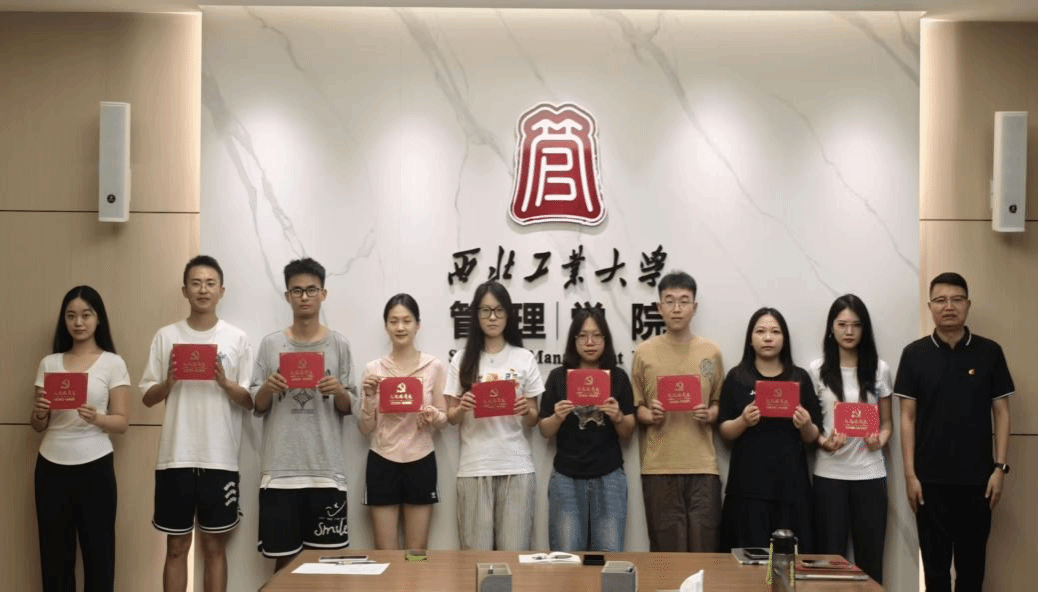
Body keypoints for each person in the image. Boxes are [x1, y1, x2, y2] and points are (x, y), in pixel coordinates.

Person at [141, 256, 253, 592]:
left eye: (210, 283)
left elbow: (250, 400)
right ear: (185, 290)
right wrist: (169, 382)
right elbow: (147, 397)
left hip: (220, 458)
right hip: (175, 457)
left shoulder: (236, 338)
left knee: (214, 546)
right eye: (196, 283)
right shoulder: (166, 336)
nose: (203, 290)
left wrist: (224, 383)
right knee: (176, 547)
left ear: (221, 290)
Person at [895, 272, 1012, 592]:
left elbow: (1002, 412)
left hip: (978, 483)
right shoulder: (914, 354)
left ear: (968, 305)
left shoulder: (990, 352)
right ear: (930, 306)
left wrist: (999, 469)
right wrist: (910, 475)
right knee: (935, 575)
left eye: (957, 299)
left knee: (972, 574)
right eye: (941, 300)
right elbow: (907, 418)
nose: (949, 306)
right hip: (929, 483)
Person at [252, 257, 356, 570]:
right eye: (297, 291)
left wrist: (338, 391)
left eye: (312, 290)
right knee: (284, 565)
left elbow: (349, 406)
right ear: (287, 296)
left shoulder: (339, 344)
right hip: (280, 473)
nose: (305, 297)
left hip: (327, 473)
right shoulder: (271, 344)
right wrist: (267, 388)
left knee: (326, 567)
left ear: (323, 294)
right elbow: (257, 405)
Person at [31, 286, 130, 592]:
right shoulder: (49, 363)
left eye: (86, 315)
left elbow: (122, 422)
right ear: (64, 320)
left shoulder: (113, 363)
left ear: (98, 319)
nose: (78, 322)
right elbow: (38, 425)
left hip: (96, 465)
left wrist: (97, 418)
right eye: (71, 315)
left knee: (99, 555)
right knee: (54, 558)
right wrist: (40, 413)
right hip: (50, 466)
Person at [444, 280, 544, 550]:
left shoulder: (523, 358)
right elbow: (450, 417)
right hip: (474, 467)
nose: (492, 317)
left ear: (508, 314)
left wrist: (526, 411)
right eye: (485, 310)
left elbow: (534, 419)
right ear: (476, 315)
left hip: (517, 467)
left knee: (514, 556)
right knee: (477, 559)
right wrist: (462, 407)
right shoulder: (461, 359)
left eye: (499, 310)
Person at [630, 270, 725, 552]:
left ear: (694, 307)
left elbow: (719, 401)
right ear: (659, 307)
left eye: (684, 301)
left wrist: (710, 414)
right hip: (659, 466)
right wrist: (650, 415)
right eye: (669, 301)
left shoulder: (711, 352)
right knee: (666, 553)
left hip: (703, 467)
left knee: (705, 549)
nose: (676, 308)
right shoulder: (644, 352)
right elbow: (637, 407)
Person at [718, 307, 821, 552]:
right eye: (760, 331)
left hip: (791, 487)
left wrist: (806, 425)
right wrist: (743, 421)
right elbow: (724, 431)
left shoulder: (799, 378)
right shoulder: (737, 377)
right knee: (747, 562)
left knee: (790, 561)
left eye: (775, 332)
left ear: (784, 339)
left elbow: (813, 436)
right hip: (748, 488)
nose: (768, 338)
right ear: (750, 339)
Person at [809, 294, 892, 583]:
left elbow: (887, 424)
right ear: (831, 328)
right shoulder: (816, 369)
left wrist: (879, 440)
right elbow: (812, 427)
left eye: (856, 325)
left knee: (870, 562)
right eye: (842, 324)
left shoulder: (880, 369)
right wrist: (824, 441)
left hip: (870, 473)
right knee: (828, 563)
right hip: (829, 474)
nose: (849, 331)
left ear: (864, 329)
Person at [538, 307, 636, 552]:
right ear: (574, 340)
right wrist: (557, 417)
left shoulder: (618, 377)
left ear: (606, 339)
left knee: (608, 557)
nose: (589, 342)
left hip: (609, 475)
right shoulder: (558, 377)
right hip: (566, 477)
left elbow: (628, 431)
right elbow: (544, 430)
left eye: (596, 335)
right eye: (582, 336)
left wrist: (618, 417)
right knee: (566, 557)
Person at [358, 293, 448, 550]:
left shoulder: (433, 366)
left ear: (417, 325)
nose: (400, 327)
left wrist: (432, 415)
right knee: (385, 552)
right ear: (386, 325)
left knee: (416, 552)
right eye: (393, 321)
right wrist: (368, 397)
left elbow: (444, 419)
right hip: (382, 459)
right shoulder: (373, 369)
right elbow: (365, 428)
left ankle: (415, 578)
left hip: (421, 459)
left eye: (407, 321)